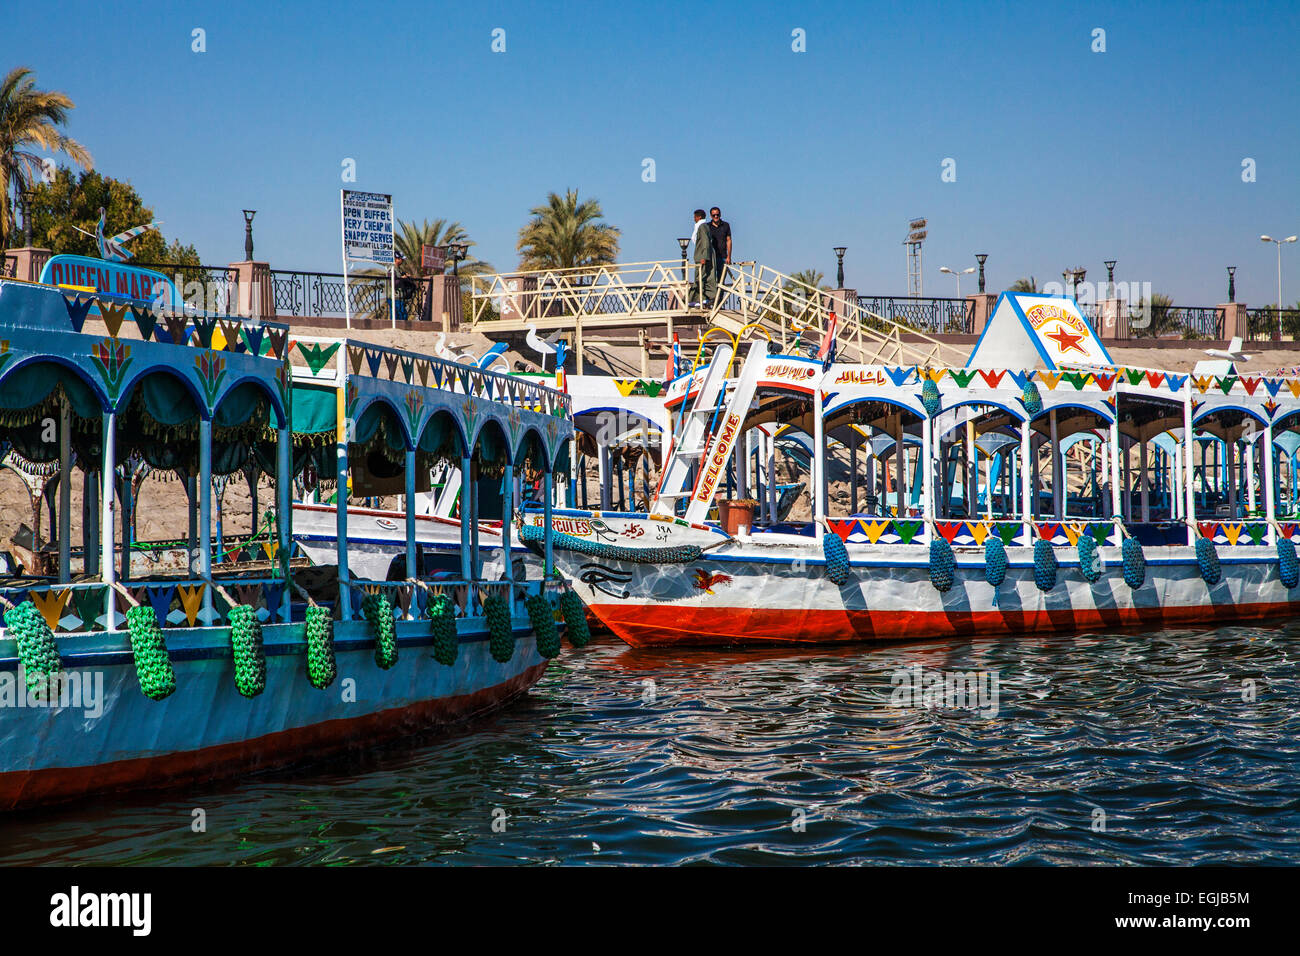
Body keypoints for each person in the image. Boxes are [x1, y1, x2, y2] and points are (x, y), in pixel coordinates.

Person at [690, 208, 715, 307]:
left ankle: (702, 298)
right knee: (700, 277)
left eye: (695, 217)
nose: (694, 219)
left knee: (700, 276)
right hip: (701, 256)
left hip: (702, 256)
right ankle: (699, 298)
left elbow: (705, 242)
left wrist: (704, 256)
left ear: (698, 217)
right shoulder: (702, 226)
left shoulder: (702, 227)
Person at [708, 206, 732, 291]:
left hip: (723, 257)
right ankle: (712, 300)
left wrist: (729, 256)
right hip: (711, 258)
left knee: (721, 281)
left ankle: (719, 300)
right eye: (714, 215)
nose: (716, 217)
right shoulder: (707, 227)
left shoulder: (725, 225)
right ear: (711, 216)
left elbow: (728, 240)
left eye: (717, 215)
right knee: (711, 280)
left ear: (720, 215)